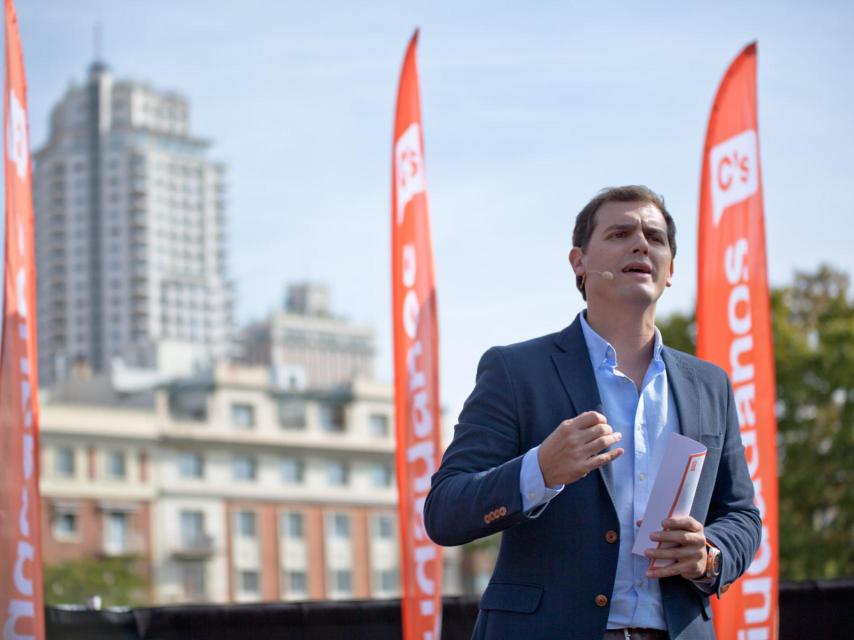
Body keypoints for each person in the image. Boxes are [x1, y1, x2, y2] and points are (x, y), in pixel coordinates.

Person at [424, 186, 761, 640]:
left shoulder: (709, 385)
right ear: (578, 262)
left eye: (655, 238)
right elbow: (445, 511)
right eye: (621, 233)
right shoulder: (515, 370)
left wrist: (709, 556)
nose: (641, 243)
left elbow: (741, 514)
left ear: (671, 271)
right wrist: (538, 471)